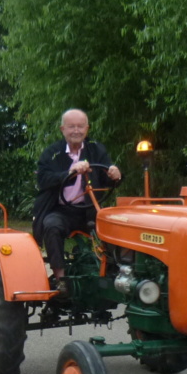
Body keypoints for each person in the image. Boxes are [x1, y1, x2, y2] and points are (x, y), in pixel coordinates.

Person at [31, 108, 122, 296]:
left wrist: (115, 174)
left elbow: (106, 178)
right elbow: (43, 181)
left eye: (80, 126)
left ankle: (115, 274)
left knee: (120, 225)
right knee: (51, 226)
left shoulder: (96, 149)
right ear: (62, 129)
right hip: (61, 209)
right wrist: (70, 172)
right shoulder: (52, 153)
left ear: (87, 129)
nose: (76, 131)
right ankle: (61, 279)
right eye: (71, 126)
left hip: (90, 209)